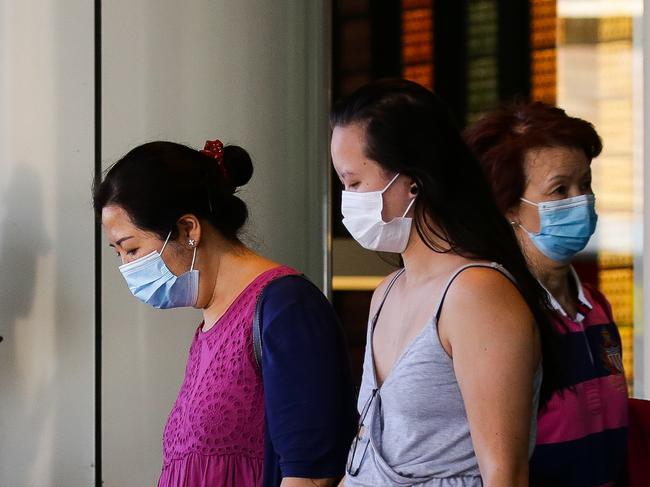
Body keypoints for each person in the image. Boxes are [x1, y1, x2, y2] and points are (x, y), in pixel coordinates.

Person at [330, 78, 563, 487]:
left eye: (353, 183)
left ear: (412, 181)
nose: (347, 200)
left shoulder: (477, 295)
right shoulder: (388, 291)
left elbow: (504, 474)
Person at [93, 139, 355, 487]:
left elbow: (312, 474)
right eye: (118, 254)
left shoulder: (287, 307)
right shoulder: (209, 325)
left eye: (132, 249)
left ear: (188, 230)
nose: (127, 267)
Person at [465, 101, 628, 487]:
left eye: (584, 184)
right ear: (508, 207)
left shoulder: (595, 305)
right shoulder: (499, 313)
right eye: (560, 189)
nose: (581, 200)